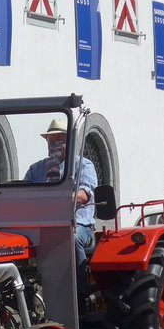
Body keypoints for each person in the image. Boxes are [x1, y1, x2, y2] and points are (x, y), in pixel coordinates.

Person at [25, 117, 98, 280]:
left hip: (78, 224)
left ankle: (79, 291)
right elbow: (23, 194)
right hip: (43, 225)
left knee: (71, 239)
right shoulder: (36, 169)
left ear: (70, 143)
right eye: (51, 142)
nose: (54, 146)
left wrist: (54, 199)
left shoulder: (84, 165)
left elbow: (84, 195)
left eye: (59, 141)